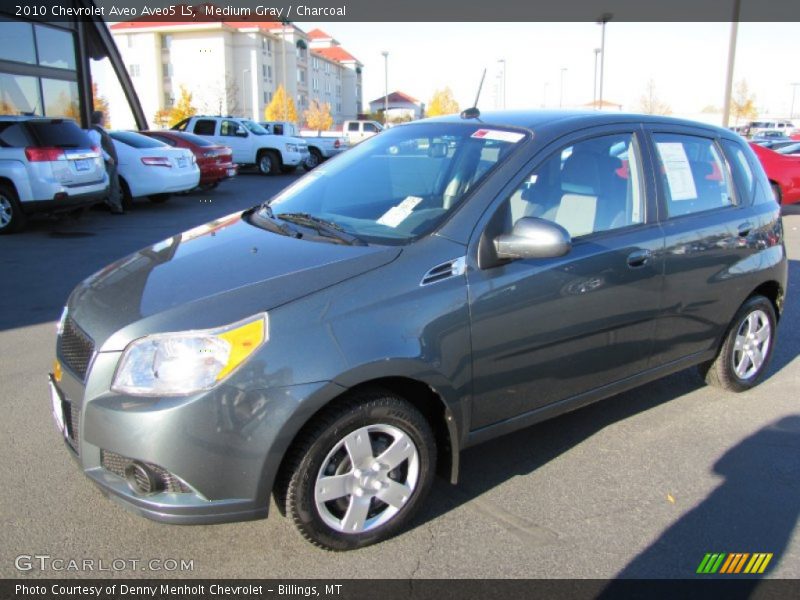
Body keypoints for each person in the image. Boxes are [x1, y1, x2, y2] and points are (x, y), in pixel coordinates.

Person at [87, 110, 124, 214]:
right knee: (109, 185)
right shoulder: (94, 132)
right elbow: (97, 147)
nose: (105, 119)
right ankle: (112, 206)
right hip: (105, 162)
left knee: (114, 185)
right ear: (99, 119)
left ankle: (116, 207)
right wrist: (108, 158)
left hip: (110, 162)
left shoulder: (101, 131)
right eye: (104, 117)